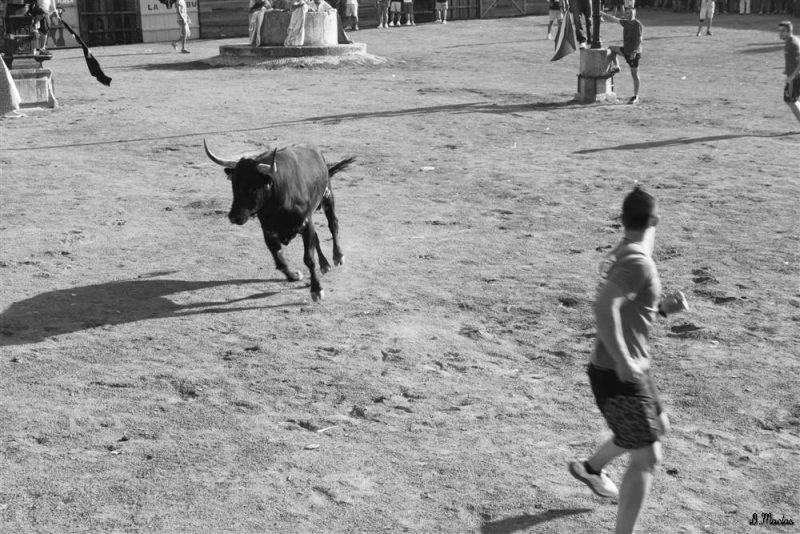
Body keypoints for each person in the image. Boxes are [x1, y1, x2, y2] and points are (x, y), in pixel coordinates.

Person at [569, 185, 681, 534]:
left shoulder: (621, 254)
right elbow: (605, 308)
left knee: (657, 427)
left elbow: (627, 309)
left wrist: (660, 310)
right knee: (647, 457)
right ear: (656, 221)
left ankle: (591, 468)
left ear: (623, 220)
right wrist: (622, 359)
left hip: (630, 367)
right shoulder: (637, 261)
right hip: (619, 372)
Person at [602, 8, 643, 104]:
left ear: (634, 14)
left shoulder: (637, 24)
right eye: (627, 13)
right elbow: (614, 19)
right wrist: (602, 14)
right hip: (626, 50)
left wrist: (634, 52)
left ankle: (636, 96)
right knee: (611, 49)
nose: (629, 15)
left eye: (631, 13)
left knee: (634, 74)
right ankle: (617, 67)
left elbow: (639, 39)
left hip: (634, 53)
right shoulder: (625, 22)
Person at [779, 21, 800, 124]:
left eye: (783, 31)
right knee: (792, 100)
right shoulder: (789, 41)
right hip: (793, 77)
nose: (780, 33)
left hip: (795, 78)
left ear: (789, 31)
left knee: (791, 101)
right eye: (779, 31)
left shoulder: (792, 44)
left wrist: (792, 76)